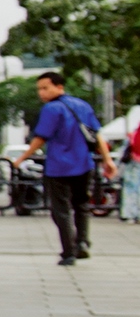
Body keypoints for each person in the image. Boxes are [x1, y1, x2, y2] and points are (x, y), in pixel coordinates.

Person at [10, 72, 117, 265]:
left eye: (45, 88)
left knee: (61, 210)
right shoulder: (83, 106)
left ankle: (68, 252)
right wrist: (108, 160)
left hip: (59, 166)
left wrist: (22, 158)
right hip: (84, 164)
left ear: (59, 87)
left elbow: (40, 138)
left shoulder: (51, 109)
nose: (41, 93)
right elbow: (97, 134)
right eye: (39, 89)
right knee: (81, 205)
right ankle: (82, 243)